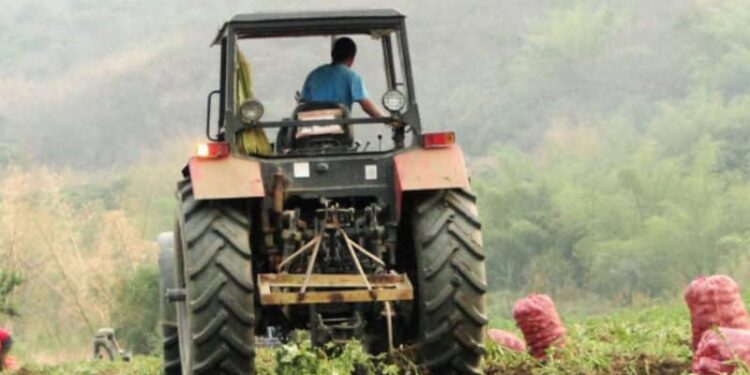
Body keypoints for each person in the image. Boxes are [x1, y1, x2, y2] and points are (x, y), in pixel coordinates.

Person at [300, 37, 386, 118]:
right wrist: (388, 120)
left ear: (332, 55)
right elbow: (366, 105)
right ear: (352, 58)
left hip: (314, 129)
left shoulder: (313, 75)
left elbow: (302, 104)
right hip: (340, 130)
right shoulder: (352, 76)